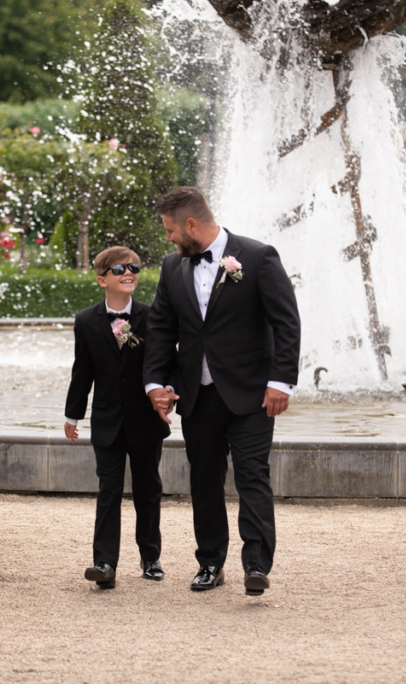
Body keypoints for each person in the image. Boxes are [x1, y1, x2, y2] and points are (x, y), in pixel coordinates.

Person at [143, 187, 301, 596]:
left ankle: (256, 565)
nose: (168, 238)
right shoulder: (170, 268)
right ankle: (210, 563)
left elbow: (287, 322)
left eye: (170, 230)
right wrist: (156, 383)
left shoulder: (258, 256)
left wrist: (280, 382)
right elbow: (162, 328)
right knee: (205, 481)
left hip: (252, 394)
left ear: (191, 225)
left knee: (252, 477)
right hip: (198, 396)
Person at [64, 246, 170, 589]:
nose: (129, 272)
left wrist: (167, 396)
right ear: (101, 280)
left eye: (134, 267)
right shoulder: (85, 321)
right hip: (108, 421)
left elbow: (163, 364)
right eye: (121, 268)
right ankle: (104, 563)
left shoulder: (152, 316)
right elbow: (82, 372)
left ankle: (150, 557)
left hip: (145, 420)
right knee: (108, 490)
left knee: (147, 490)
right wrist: (73, 415)